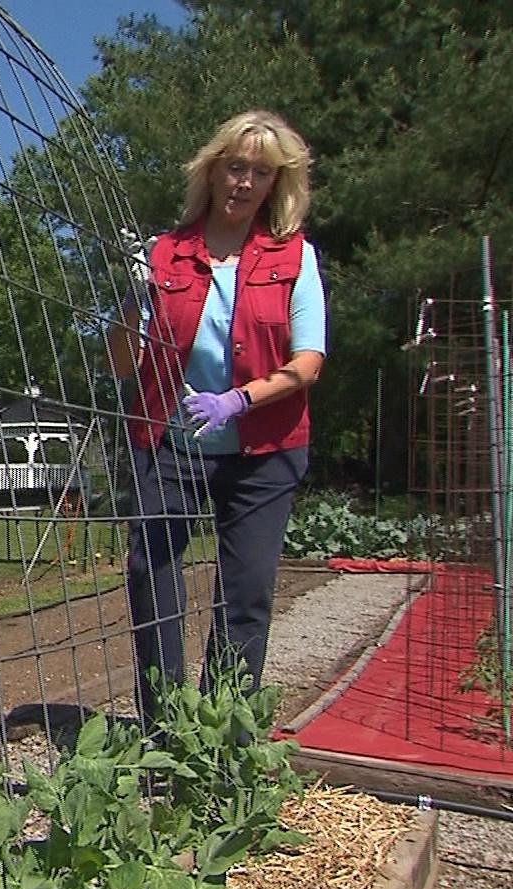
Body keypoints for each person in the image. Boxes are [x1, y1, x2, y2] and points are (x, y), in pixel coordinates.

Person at [108, 110, 327, 722]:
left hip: (264, 448)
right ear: (212, 171)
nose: (244, 183)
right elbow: (123, 362)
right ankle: (164, 725)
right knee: (150, 572)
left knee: (246, 592)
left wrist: (239, 399)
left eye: (260, 172)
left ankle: (220, 730)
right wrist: (135, 300)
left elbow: (308, 362)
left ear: (274, 184)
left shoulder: (293, 257)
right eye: (235, 167)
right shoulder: (166, 254)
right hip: (170, 443)